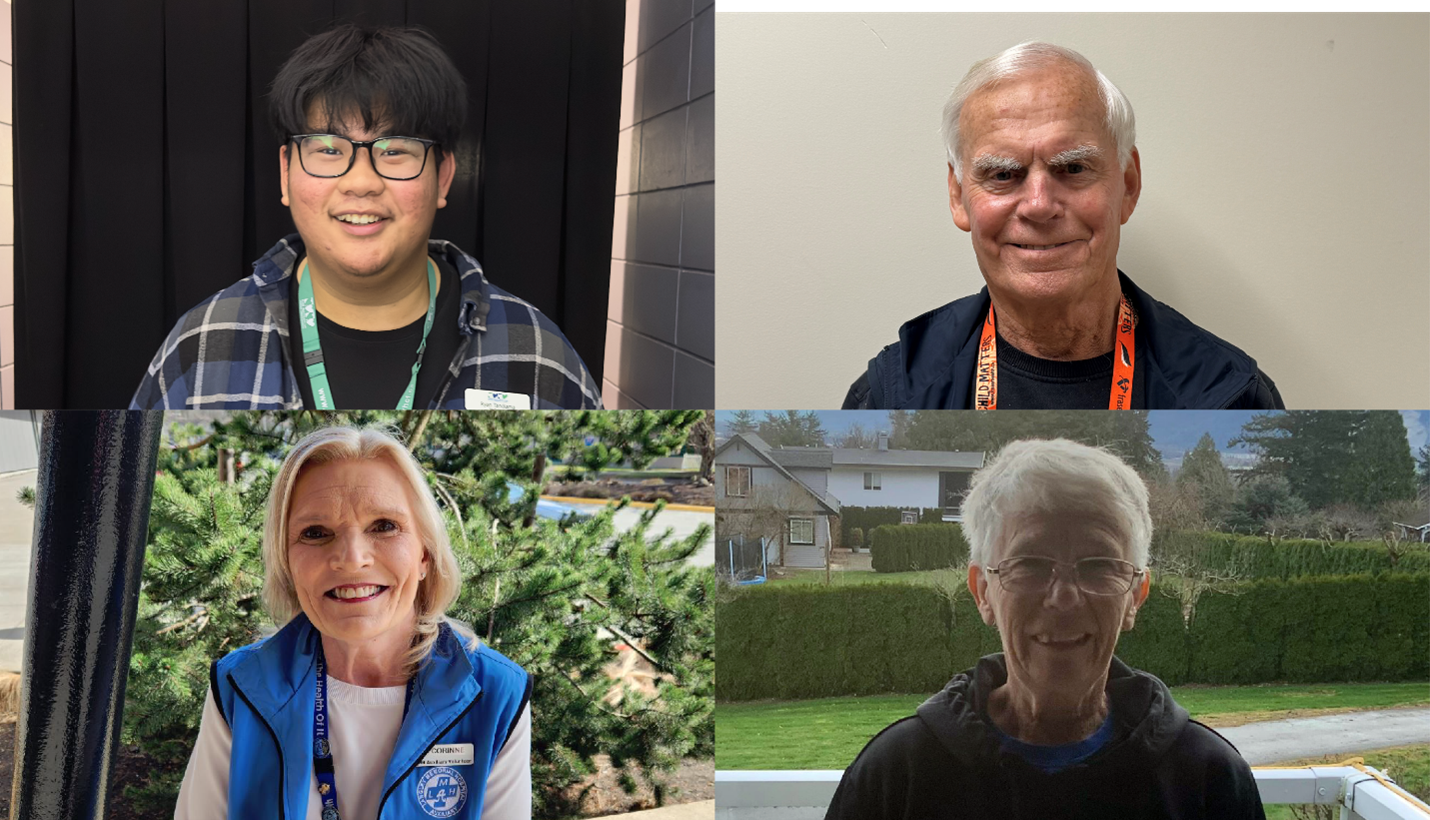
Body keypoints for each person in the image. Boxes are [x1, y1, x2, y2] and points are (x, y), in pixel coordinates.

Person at [133, 25, 600, 411]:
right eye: (329, 149)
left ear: (443, 178)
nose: (361, 182)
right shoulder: (201, 344)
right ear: (285, 172)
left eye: (395, 150)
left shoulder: (537, 354)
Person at [825, 439, 1265, 819]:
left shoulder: (1208, 781)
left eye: (1099, 566)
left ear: (1135, 595)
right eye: (1030, 564)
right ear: (983, 591)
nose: (1064, 598)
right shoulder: (897, 777)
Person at [843, 42, 1283, 411]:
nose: (1038, 205)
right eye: (1002, 174)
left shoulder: (1233, 399)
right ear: (959, 197)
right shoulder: (891, 397)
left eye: (1073, 168)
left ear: (1128, 186)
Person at [174, 427, 531, 819]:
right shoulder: (241, 686)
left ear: (425, 554)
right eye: (315, 533)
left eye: (384, 526)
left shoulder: (494, 693)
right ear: (288, 566)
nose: (351, 557)